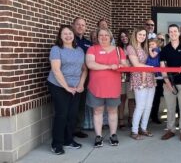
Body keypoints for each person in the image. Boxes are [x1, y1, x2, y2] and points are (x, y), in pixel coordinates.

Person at [47, 25, 88, 154]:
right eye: (65, 34)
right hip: (58, 86)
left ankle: (68, 140)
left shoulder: (79, 50)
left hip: (75, 87)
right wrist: (67, 87)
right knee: (62, 114)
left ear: (73, 35)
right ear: (60, 36)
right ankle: (56, 143)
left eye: (70, 33)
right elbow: (56, 70)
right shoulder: (56, 49)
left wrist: (81, 85)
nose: (68, 36)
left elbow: (84, 69)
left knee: (72, 115)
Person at [86, 28, 127, 147]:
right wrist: (110, 66)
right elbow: (90, 64)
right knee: (97, 111)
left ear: (110, 37)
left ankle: (113, 135)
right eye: (101, 35)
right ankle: (98, 136)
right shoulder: (92, 49)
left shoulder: (119, 50)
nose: (104, 37)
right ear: (97, 37)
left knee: (112, 111)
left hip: (113, 86)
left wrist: (121, 65)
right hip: (96, 87)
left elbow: (124, 64)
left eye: (106, 35)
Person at [160, 24, 181, 142]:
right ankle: (171, 129)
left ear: (179, 33)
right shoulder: (165, 49)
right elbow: (162, 67)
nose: (173, 33)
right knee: (170, 108)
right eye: (171, 31)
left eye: (175, 31)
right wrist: (168, 84)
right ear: (168, 33)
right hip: (168, 83)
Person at [127, 27, 156, 140]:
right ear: (135, 35)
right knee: (140, 106)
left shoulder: (145, 47)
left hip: (150, 78)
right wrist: (152, 67)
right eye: (140, 34)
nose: (142, 37)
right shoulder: (131, 47)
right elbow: (135, 64)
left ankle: (143, 128)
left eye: (144, 35)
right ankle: (134, 130)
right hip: (139, 78)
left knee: (148, 106)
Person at [72, 17, 91, 138]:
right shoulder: (68, 40)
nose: (80, 27)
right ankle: (68, 128)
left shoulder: (88, 43)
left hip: (85, 77)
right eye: (78, 24)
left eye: (83, 25)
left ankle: (77, 129)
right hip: (71, 77)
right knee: (70, 104)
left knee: (80, 104)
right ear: (73, 25)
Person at [117, 29, 134, 129]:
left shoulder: (133, 48)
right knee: (122, 98)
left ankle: (131, 118)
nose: (124, 38)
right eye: (122, 37)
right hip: (121, 76)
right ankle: (121, 119)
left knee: (131, 98)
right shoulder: (118, 49)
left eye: (125, 36)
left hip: (132, 76)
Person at [150, 33, 166, 124]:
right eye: (159, 39)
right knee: (151, 98)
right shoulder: (151, 49)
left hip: (162, 77)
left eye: (162, 39)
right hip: (152, 76)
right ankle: (150, 116)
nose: (160, 41)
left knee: (157, 98)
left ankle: (154, 116)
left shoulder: (165, 49)